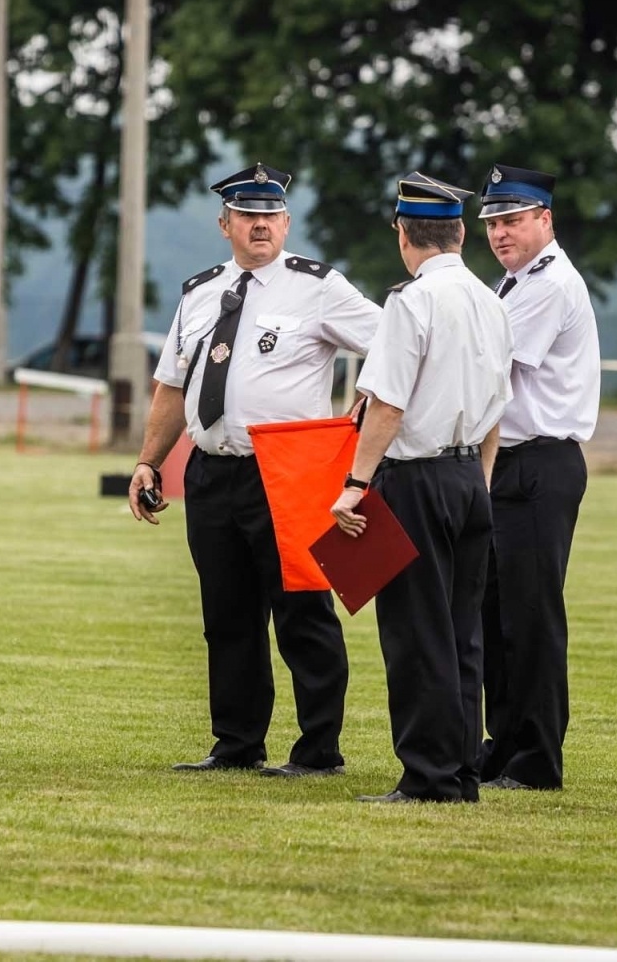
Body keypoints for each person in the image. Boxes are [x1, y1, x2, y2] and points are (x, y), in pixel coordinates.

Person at [128, 163, 381, 777]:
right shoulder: (200, 292)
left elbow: (395, 346)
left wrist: (365, 406)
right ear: (226, 224)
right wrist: (148, 462)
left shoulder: (318, 286)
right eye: (247, 215)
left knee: (303, 614)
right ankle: (236, 744)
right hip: (212, 471)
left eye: (270, 215)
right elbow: (172, 386)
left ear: (286, 223)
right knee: (227, 617)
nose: (259, 224)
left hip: (288, 472)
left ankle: (319, 750)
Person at [329, 172, 512, 804]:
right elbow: (497, 408)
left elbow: (386, 404)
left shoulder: (412, 303)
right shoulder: (492, 301)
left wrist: (355, 483)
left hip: (416, 477)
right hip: (468, 475)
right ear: (460, 233)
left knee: (416, 633)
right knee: (463, 635)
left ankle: (428, 776)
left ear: (403, 236)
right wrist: (479, 481)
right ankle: (460, 771)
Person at [475, 164, 601, 792]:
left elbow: (488, 367)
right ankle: (504, 745)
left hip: (537, 463)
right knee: (495, 617)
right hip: (509, 462)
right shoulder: (514, 282)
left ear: (544, 220)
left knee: (529, 618)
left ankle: (536, 760)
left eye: (513, 220)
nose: (501, 233)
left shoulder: (547, 284)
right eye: (493, 222)